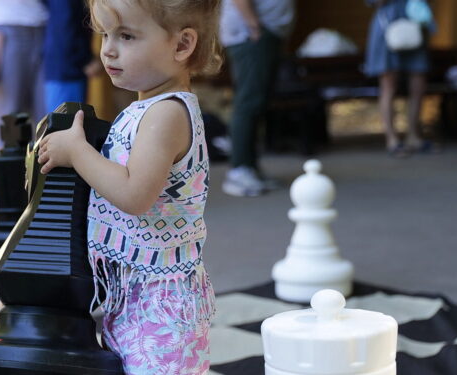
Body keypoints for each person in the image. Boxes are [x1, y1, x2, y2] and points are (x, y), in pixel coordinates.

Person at [37, 0, 219, 372]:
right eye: (106, 34)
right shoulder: (145, 110)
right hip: (136, 293)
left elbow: (135, 194)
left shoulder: (167, 113)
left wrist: (77, 151)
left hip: (161, 304)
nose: (109, 49)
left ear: (182, 45)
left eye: (127, 36)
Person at [218, 0, 295, 197]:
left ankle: (250, 168)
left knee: (257, 102)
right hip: (251, 34)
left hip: (258, 32)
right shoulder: (254, 31)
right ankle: (240, 171)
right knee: (249, 103)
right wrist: (254, 26)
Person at [364, 0, 437, 157]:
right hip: (387, 24)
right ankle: (392, 139)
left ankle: (414, 135)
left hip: (414, 21)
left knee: (418, 85)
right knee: (388, 86)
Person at [0, 0, 48, 152]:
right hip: (4, 26)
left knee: (46, 115)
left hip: (43, 24)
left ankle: (43, 174)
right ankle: (2, 174)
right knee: (9, 117)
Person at [42, 0, 102, 114]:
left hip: (66, 66)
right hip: (67, 69)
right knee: (65, 124)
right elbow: (65, 27)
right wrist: (85, 60)